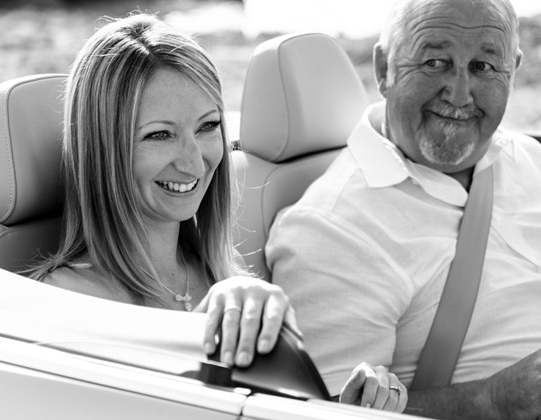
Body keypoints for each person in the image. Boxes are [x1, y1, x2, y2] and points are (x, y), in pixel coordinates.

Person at [27, 12, 406, 411]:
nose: (194, 162)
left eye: (208, 127)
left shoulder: (221, 273)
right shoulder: (68, 304)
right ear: (103, 149)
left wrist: (348, 409)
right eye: (160, 135)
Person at [266, 0, 541, 418]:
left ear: (513, 71)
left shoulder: (525, 155)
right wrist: (496, 401)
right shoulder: (333, 229)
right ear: (384, 69)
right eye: (435, 62)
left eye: (483, 67)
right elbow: (331, 415)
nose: (460, 93)